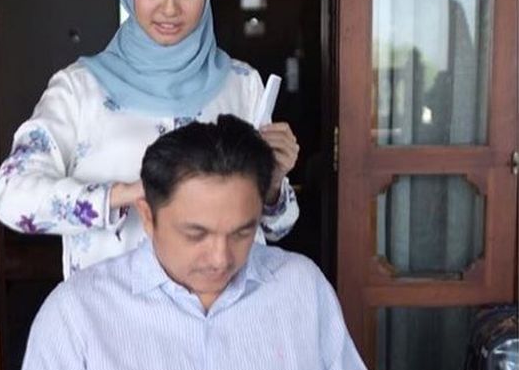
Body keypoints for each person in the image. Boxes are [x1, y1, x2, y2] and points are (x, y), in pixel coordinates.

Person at [0, 0, 300, 278]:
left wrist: (273, 182)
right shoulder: (79, 90)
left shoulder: (241, 84)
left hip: (223, 306)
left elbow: (277, 227)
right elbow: (10, 195)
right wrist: (121, 195)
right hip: (110, 306)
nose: (170, 8)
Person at [21, 115, 366, 370]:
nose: (220, 258)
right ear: (148, 216)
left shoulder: (300, 287)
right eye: (196, 234)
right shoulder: (77, 312)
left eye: (241, 232)